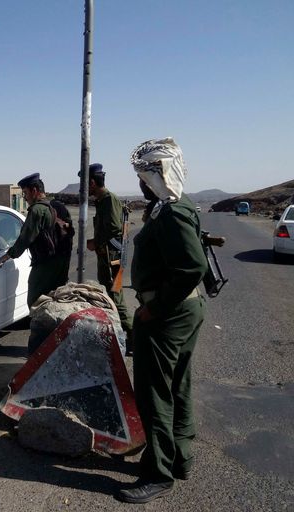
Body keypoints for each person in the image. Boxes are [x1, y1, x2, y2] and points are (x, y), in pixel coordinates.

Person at [116, 138, 208, 504]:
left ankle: (159, 473)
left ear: (158, 175)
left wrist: (154, 308)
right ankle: (180, 458)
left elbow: (193, 267)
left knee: (155, 394)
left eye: (144, 176)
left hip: (168, 315)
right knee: (178, 386)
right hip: (183, 310)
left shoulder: (170, 211)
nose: (140, 183)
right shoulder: (173, 204)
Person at [0, 172, 69, 308]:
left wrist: (6, 257)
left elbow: (25, 239)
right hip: (60, 263)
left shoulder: (37, 210)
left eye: (25, 193)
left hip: (44, 264)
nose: (25, 197)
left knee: (35, 302)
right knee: (57, 302)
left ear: (34, 191)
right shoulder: (56, 206)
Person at [85, 163, 134, 353]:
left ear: (92, 182)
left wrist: (95, 242)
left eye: (85, 184)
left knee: (115, 298)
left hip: (113, 259)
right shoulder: (102, 200)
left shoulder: (109, 200)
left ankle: (134, 337)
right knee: (110, 295)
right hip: (108, 257)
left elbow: (114, 228)